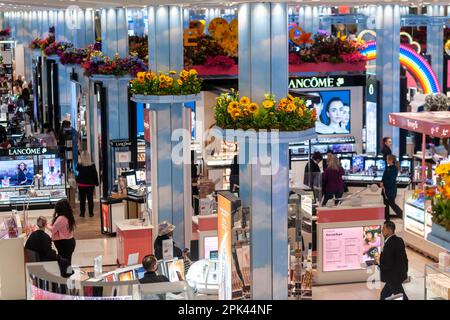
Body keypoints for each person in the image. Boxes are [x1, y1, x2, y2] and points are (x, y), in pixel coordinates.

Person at [374, 220, 409, 300]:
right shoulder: (399, 240)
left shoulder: (389, 244)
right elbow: (404, 258)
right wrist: (405, 270)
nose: (382, 230)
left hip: (393, 277)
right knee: (384, 294)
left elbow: (388, 263)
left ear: (389, 230)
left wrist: (378, 262)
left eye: (384, 228)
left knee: (402, 296)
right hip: (399, 274)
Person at [46, 199, 76, 265]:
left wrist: (45, 224)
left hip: (64, 243)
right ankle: (67, 273)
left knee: (64, 261)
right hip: (69, 242)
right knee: (67, 260)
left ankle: (65, 274)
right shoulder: (68, 216)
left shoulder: (61, 218)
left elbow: (53, 229)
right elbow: (57, 226)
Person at [76, 151, 99, 217]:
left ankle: (82, 213)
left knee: (82, 199)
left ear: (81, 157)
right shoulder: (92, 165)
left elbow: (76, 169)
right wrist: (96, 183)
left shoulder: (79, 165)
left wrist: (80, 161)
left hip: (81, 184)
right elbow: (95, 175)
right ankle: (91, 213)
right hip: (90, 184)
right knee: (90, 199)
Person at [381, 154, 403, 220]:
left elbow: (390, 180)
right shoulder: (388, 168)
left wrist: (384, 183)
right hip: (386, 189)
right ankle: (387, 219)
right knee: (386, 205)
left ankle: (402, 215)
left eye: (387, 159)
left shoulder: (394, 169)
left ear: (391, 160)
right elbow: (384, 176)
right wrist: (382, 182)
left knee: (392, 204)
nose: (386, 160)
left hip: (390, 190)